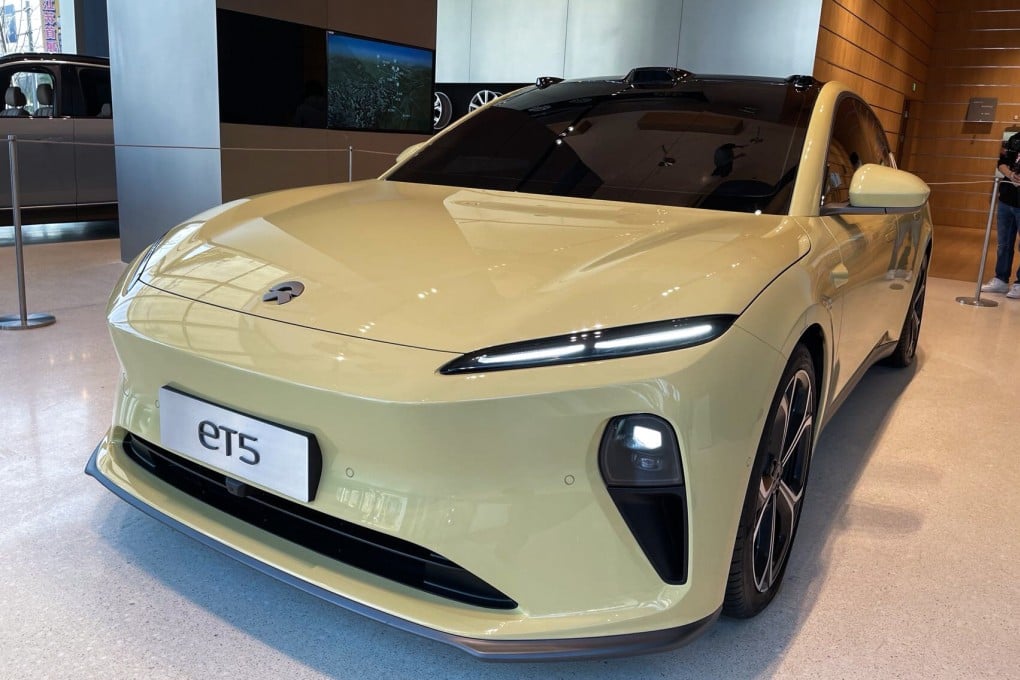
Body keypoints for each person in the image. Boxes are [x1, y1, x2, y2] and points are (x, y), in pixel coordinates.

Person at [982, 132, 1020, 297]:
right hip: (1007, 199)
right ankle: (1001, 279)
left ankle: (1019, 283)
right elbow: (1001, 162)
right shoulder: (1014, 139)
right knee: (1003, 244)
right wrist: (1011, 175)